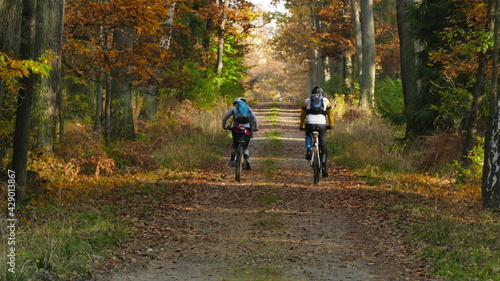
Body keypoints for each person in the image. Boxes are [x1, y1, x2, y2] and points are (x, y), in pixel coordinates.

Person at [300, 86, 334, 177]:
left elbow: (303, 115)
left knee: (308, 134)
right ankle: (323, 167)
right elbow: (330, 116)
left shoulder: (306, 101)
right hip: (321, 124)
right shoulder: (326, 101)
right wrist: (330, 125)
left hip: (309, 122)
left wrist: (301, 126)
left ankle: (309, 149)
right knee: (323, 144)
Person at [222, 97, 259, 170]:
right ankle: (247, 160)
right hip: (247, 129)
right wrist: (256, 128)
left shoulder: (233, 109)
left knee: (235, 144)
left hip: (237, 129)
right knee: (245, 146)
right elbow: (254, 119)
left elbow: (225, 118)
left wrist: (224, 126)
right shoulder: (248, 109)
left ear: (235, 103)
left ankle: (232, 160)